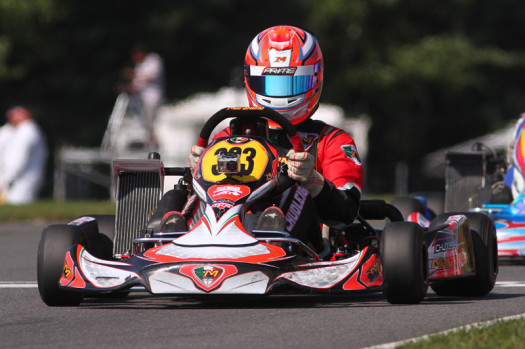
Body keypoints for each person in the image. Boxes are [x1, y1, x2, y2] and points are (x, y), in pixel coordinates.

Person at [172, 25, 363, 255]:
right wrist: (198, 171)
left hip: (301, 247)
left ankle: (272, 235)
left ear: (315, 79)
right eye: (271, 85)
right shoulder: (228, 136)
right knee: (183, 187)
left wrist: (313, 181)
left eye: (292, 84)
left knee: (297, 188)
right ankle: (168, 232)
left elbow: (346, 214)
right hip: (226, 229)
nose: (280, 96)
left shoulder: (332, 141)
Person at [0, 106, 48, 204]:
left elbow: (18, 159)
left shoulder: (28, 132)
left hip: (23, 178)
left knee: (18, 203)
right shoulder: (11, 130)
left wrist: (5, 180)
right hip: (12, 177)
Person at [125, 45, 165, 148]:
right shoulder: (140, 65)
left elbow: (150, 78)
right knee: (143, 121)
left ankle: (153, 144)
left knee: (150, 121)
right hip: (140, 99)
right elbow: (137, 84)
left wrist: (133, 74)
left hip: (152, 98)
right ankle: (148, 141)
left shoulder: (153, 60)